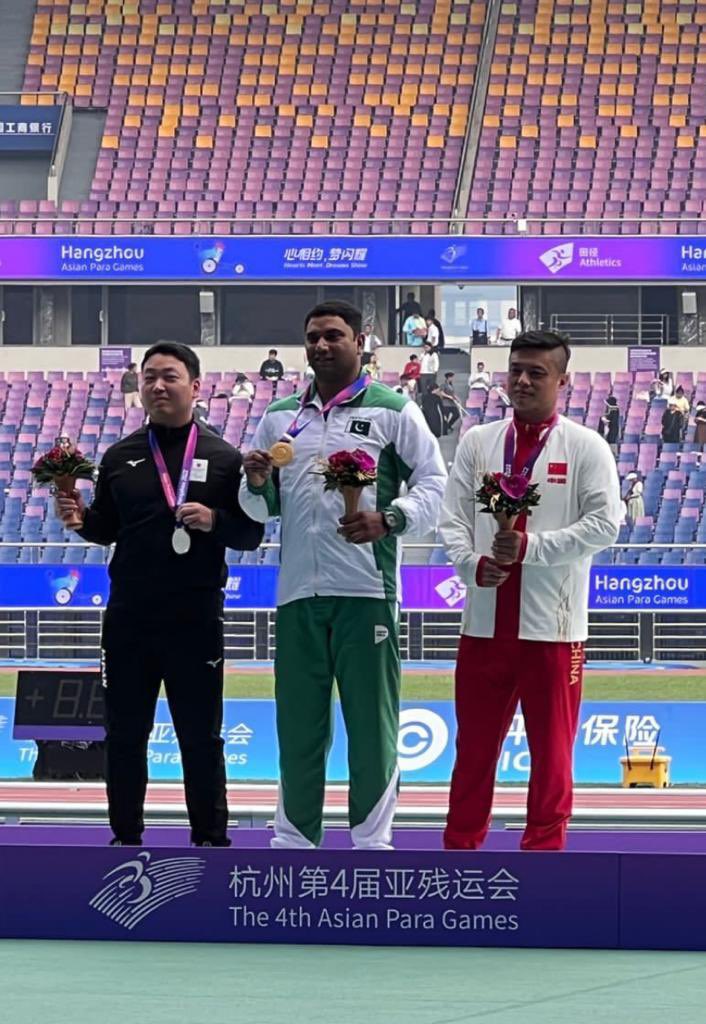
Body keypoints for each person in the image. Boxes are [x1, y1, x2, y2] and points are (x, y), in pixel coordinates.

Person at [240, 300, 446, 850]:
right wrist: (256, 482)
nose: (321, 346)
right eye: (313, 337)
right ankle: (293, 843)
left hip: (366, 592)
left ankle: (372, 845)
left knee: (371, 725)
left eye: (334, 335)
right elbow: (260, 509)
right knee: (297, 726)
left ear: (360, 341)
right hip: (297, 594)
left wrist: (391, 518)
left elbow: (436, 483)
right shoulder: (281, 416)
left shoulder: (393, 410)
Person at [54, 342, 263, 848]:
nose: (158, 386)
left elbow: (250, 534)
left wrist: (214, 520)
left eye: (170, 376)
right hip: (129, 617)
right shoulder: (119, 456)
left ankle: (210, 840)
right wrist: (80, 519)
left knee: (201, 736)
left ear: (196, 386)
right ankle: (125, 840)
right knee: (125, 734)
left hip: (195, 618)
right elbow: (107, 528)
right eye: (149, 377)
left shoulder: (224, 458)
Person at [439, 329, 621, 852]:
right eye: (515, 369)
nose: (521, 380)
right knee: (473, 751)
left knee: (553, 753)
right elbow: (453, 519)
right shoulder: (478, 442)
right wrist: (471, 563)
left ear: (562, 381)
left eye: (536, 372)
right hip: (483, 625)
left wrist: (529, 547)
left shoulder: (586, 446)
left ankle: (545, 856)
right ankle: (460, 850)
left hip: (554, 631)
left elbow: (604, 526)